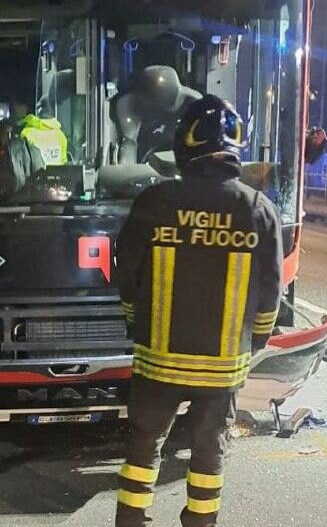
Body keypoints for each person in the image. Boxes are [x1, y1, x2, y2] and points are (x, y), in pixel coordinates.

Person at [114, 95, 283, 527]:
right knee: (209, 452)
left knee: (144, 448)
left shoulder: (155, 201)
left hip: (159, 362)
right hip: (223, 368)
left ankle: (132, 520)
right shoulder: (259, 209)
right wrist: (253, 343)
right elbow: (271, 292)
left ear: (184, 143)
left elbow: (127, 275)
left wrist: (137, 325)